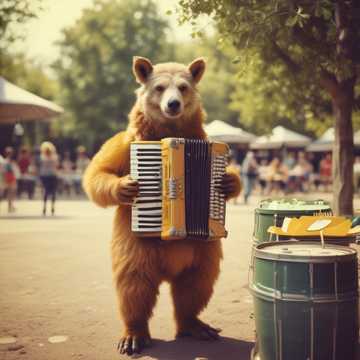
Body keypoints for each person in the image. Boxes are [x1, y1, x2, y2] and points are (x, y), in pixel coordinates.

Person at [39, 141, 59, 215]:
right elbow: (57, 166)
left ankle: (44, 207)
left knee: (46, 191)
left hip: (44, 175)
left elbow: (40, 167)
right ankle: (52, 207)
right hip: (53, 175)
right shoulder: (55, 157)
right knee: (53, 191)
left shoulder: (42, 157)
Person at [2, 147, 20, 213]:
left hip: (8, 177)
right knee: (11, 192)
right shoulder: (8, 161)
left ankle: (10, 206)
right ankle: (10, 206)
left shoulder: (5, 161)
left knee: (10, 192)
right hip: (10, 177)